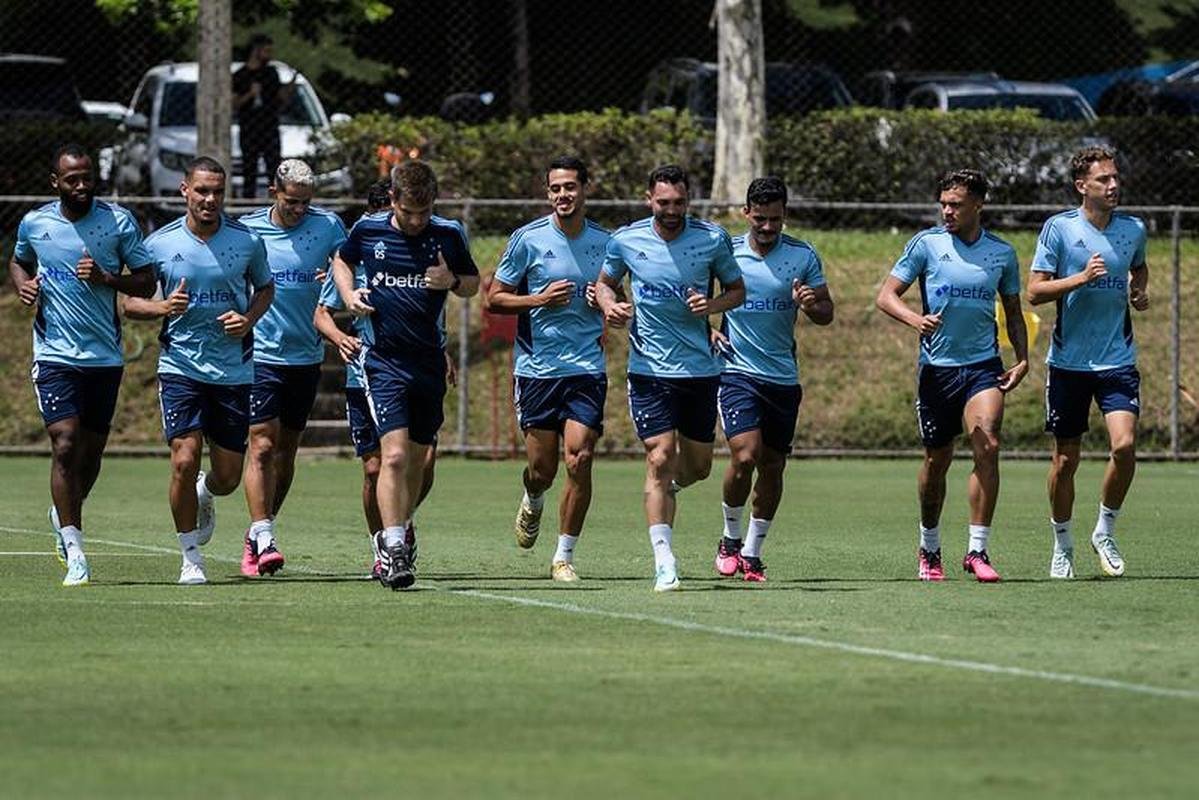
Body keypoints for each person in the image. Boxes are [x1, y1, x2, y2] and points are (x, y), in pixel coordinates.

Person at [8, 143, 156, 587]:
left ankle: (64, 512)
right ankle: (75, 549)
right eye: (72, 179)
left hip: (104, 356)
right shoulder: (36, 223)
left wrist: (107, 278)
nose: (81, 186)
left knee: (91, 453)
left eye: (87, 178)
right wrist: (23, 285)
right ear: (55, 182)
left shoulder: (118, 222)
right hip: (54, 353)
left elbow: (146, 280)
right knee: (65, 443)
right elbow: (19, 261)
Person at [124, 157, 275, 585]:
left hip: (232, 371)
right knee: (184, 458)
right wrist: (162, 307)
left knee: (227, 476)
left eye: (218, 192)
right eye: (202, 191)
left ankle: (206, 492)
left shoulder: (246, 241)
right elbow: (130, 303)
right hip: (181, 367)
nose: (210, 199)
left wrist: (248, 319)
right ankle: (191, 558)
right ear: (184, 190)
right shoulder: (158, 244)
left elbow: (266, 288)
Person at [595, 164, 745, 592]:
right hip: (648, 370)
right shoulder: (626, 240)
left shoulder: (712, 239)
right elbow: (605, 284)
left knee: (698, 467)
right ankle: (665, 561)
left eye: (679, 202)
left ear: (689, 201)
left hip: (699, 371)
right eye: (664, 202)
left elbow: (737, 291)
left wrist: (712, 306)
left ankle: (667, 489)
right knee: (660, 456)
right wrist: (610, 306)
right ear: (649, 200)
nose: (672, 210)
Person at [331, 161, 479, 590]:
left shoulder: (448, 233)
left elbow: (473, 283)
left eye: (424, 212)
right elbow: (341, 261)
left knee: (417, 460)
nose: (416, 221)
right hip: (384, 362)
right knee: (392, 456)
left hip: (428, 362)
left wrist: (451, 280)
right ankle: (393, 547)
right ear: (393, 199)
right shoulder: (368, 230)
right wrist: (348, 294)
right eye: (408, 212)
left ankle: (403, 523)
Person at [876, 168, 1028, 583]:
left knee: (988, 445)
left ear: (978, 204)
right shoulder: (926, 245)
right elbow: (886, 296)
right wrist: (915, 319)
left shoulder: (1001, 253)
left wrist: (1023, 358)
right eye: (943, 203)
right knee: (936, 461)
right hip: (937, 371)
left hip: (983, 366)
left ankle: (977, 550)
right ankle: (929, 545)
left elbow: (1013, 312)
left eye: (956, 205)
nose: (947, 211)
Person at [485, 155, 611, 582]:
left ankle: (563, 556)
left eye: (570, 187)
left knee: (580, 457)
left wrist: (605, 300)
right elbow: (495, 297)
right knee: (543, 470)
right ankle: (533, 496)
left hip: (586, 367)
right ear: (547, 193)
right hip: (537, 370)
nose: (563, 195)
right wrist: (538, 299)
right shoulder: (528, 239)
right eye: (556, 188)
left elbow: (616, 294)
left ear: (585, 189)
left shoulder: (606, 242)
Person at [1027, 146, 1149, 579]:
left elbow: (1139, 268)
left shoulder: (1134, 229)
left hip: (1117, 360)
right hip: (1069, 364)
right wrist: (1080, 278)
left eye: (1115, 177)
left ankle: (1104, 531)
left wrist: (1139, 290)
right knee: (1065, 461)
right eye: (1103, 179)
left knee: (1125, 447)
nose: (1113, 185)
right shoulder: (1059, 229)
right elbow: (1034, 292)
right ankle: (1062, 543)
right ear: (1082, 186)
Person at [709, 177, 834, 583]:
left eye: (775, 220)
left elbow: (826, 312)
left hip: (782, 376)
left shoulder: (802, 255)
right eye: (759, 218)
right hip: (736, 372)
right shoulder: (726, 250)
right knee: (745, 456)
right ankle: (730, 538)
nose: (766, 227)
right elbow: (696, 297)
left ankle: (752, 552)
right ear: (746, 213)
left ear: (785, 216)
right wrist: (707, 328)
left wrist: (811, 304)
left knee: (773, 465)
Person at [238, 159, 347, 577]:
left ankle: (258, 530)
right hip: (261, 355)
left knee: (285, 454)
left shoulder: (329, 227)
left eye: (306, 202)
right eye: (291, 202)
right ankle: (265, 536)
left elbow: (349, 268)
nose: (299, 210)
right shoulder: (249, 230)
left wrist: (334, 277)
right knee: (262, 446)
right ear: (273, 193)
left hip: (306, 356)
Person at [232, 34, 294, 199]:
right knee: (249, 168)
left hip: (269, 127)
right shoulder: (240, 75)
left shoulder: (271, 73)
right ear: (256, 51)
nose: (269, 55)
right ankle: (248, 202)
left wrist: (289, 87)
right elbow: (234, 103)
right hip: (249, 127)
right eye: (266, 51)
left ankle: (277, 201)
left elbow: (279, 99)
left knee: (273, 168)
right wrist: (250, 94)